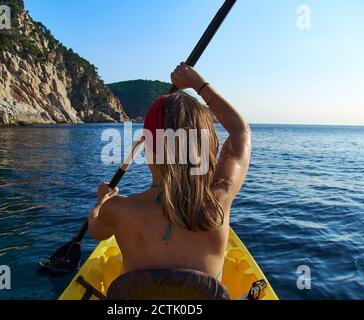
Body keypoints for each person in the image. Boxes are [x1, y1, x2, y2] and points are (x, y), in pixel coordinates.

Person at [89, 63, 251, 282]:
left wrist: (101, 202)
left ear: (146, 146)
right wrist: (198, 85)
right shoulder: (218, 203)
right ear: (204, 145)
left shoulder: (117, 209)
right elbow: (240, 132)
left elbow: (97, 231)